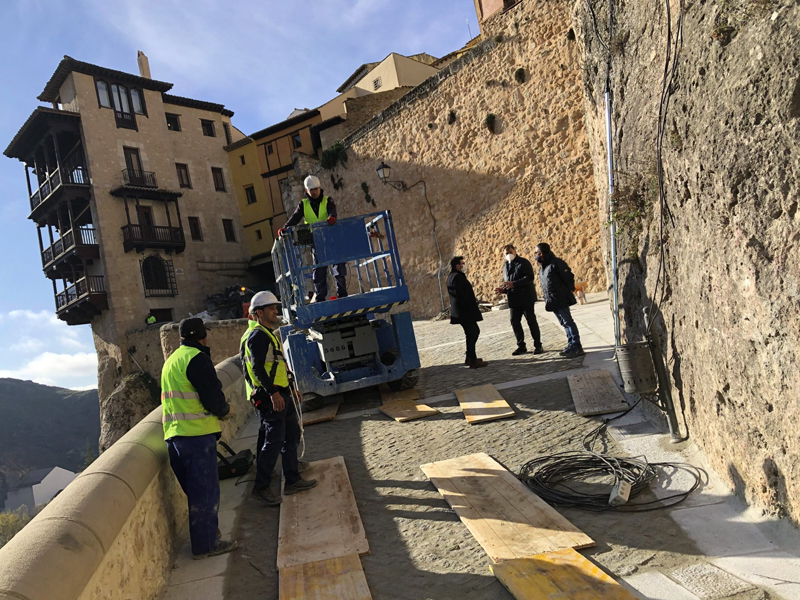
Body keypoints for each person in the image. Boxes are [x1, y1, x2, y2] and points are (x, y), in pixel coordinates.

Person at [161, 317, 237, 560]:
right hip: (196, 435)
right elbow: (211, 395)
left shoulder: (171, 360)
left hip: (174, 437)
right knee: (205, 492)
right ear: (202, 336)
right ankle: (206, 545)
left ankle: (206, 534)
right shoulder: (197, 358)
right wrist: (225, 411)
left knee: (195, 492)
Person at [241, 291, 317, 506]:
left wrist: (291, 388)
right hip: (271, 397)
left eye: (275, 307)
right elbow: (256, 369)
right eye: (272, 308)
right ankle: (261, 488)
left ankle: (292, 479)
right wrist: (273, 393)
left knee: (291, 435)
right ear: (259, 312)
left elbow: (277, 365)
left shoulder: (267, 333)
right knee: (273, 443)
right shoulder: (258, 336)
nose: (276, 311)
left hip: (283, 393)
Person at [280, 175, 347, 301]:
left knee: (338, 268)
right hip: (316, 241)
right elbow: (295, 217)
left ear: (320, 188)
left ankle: (342, 294)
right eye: (312, 190)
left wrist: (332, 217)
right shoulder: (303, 205)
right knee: (318, 271)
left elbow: (332, 211)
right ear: (307, 191)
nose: (315, 192)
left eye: (316, 189)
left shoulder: (328, 200)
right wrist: (285, 228)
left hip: (331, 239)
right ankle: (320, 297)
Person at [535, 243, 584, 357]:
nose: (535, 255)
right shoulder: (544, 266)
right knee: (563, 323)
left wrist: (569, 290)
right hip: (552, 300)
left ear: (541, 253)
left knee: (568, 322)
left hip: (560, 297)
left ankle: (577, 346)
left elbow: (568, 277)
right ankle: (571, 344)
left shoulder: (556, 263)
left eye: (536, 253)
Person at [494, 244, 543, 356]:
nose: (508, 254)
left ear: (515, 251)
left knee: (531, 321)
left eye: (510, 252)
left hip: (526, 298)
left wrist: (514, 283)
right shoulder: (506, 266)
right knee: (514, 322)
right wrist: (503, 290)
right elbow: (509, 283)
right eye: (506, 253)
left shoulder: (523, 263)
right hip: (514, 300)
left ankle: (538, 345)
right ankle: (521, 346)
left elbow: (529, 277)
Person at [447, 256, 488, 369]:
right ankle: (472, 359)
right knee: (472, 332)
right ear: (457, 265)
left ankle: (470, 357)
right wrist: (469, 305)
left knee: (473, 332)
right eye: (462, 263)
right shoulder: (456, 277)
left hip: (463, 311)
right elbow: (461, 295)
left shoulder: (455, 276)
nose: (464, 265)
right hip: (464, 311)